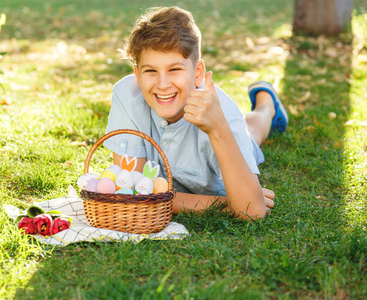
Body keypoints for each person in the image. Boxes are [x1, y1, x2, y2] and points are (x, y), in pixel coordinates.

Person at [103, 6, 288, 220]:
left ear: (197, 73)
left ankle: (266, 105)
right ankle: (264, 104)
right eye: (151, 71)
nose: (162, 84)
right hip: (214, 180)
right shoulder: (127, 96)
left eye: (175, 69)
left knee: (252, 134)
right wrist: (226, 204)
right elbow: (133, 192)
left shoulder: (224, 116)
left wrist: (218, 129)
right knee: (249, 130)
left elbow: (252, 211)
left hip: (226, 134)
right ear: (137, 74)